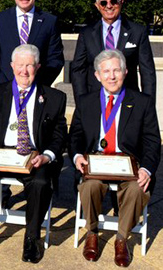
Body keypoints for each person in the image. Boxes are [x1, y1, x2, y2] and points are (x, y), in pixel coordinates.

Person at [0, 44, 67, 263]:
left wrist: (47, 155)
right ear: (12, 66)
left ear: (38, 67)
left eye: (29, 65)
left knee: (40, 183)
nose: (24, 70)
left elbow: (59, 135)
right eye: (20, 65)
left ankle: (32, 238)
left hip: (32, 156)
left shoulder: (54, 97)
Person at [69, 49, 160, 267]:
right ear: (97, 75)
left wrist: (146, 168)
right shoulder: (86, 101)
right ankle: (92, 232)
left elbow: (152, 141)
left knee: (138, 189)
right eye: (106, 71)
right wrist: (77, 156)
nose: (112, 76)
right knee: (89, 187)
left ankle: (121, 238)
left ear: (126, 72)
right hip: (95, 163)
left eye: (116, 70)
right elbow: (76, 136)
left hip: (129, 165)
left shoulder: (142, 101)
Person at [70, 0, 156, 104]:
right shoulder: (87, 34)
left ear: (121, 2)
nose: (109, 6)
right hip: (95, 102)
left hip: (128, 101)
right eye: (103, 3)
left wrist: (148, 106)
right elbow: (78, 70)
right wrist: (82, 103)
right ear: (97, 6)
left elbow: (148, 73)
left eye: (113, 1)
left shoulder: (138, 32)